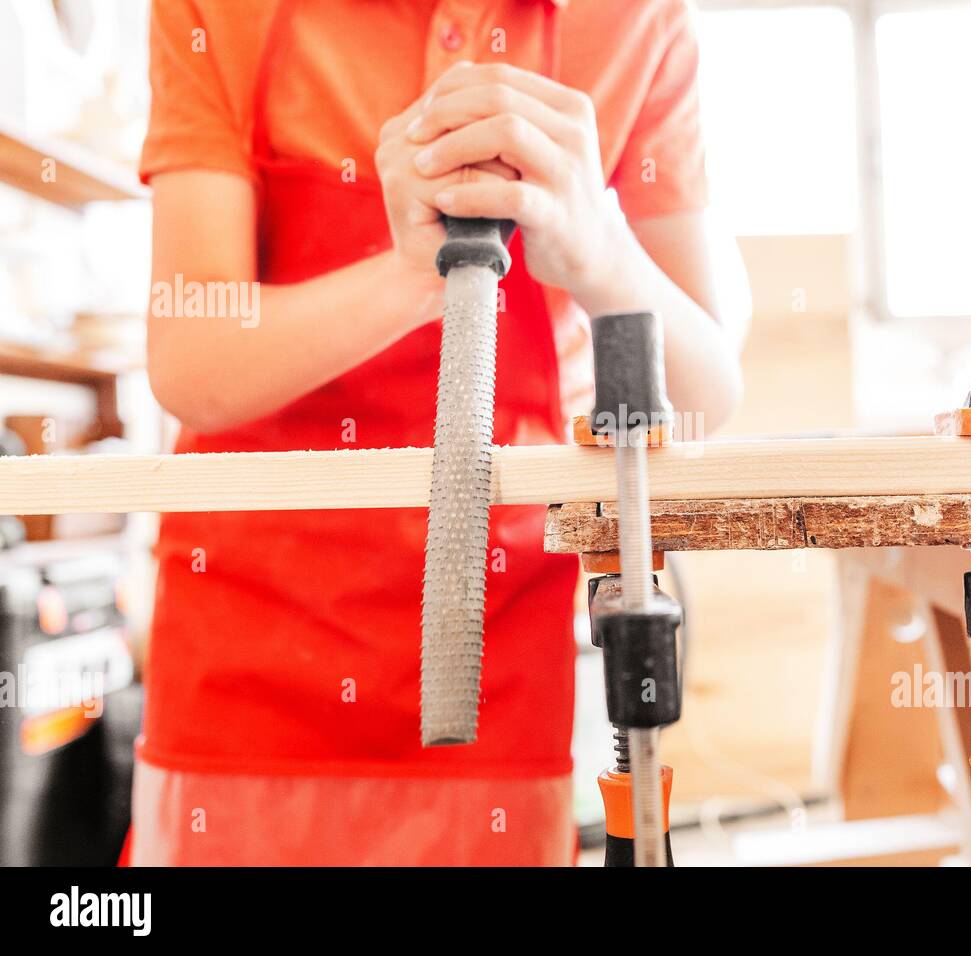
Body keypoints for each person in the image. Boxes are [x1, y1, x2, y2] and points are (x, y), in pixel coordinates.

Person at [131, 0, 746, 865]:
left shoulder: (641, 20)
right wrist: (417, 272)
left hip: (497, 653)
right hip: (252, 657)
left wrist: (597, 249)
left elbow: (704, 392)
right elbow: (190, 357)